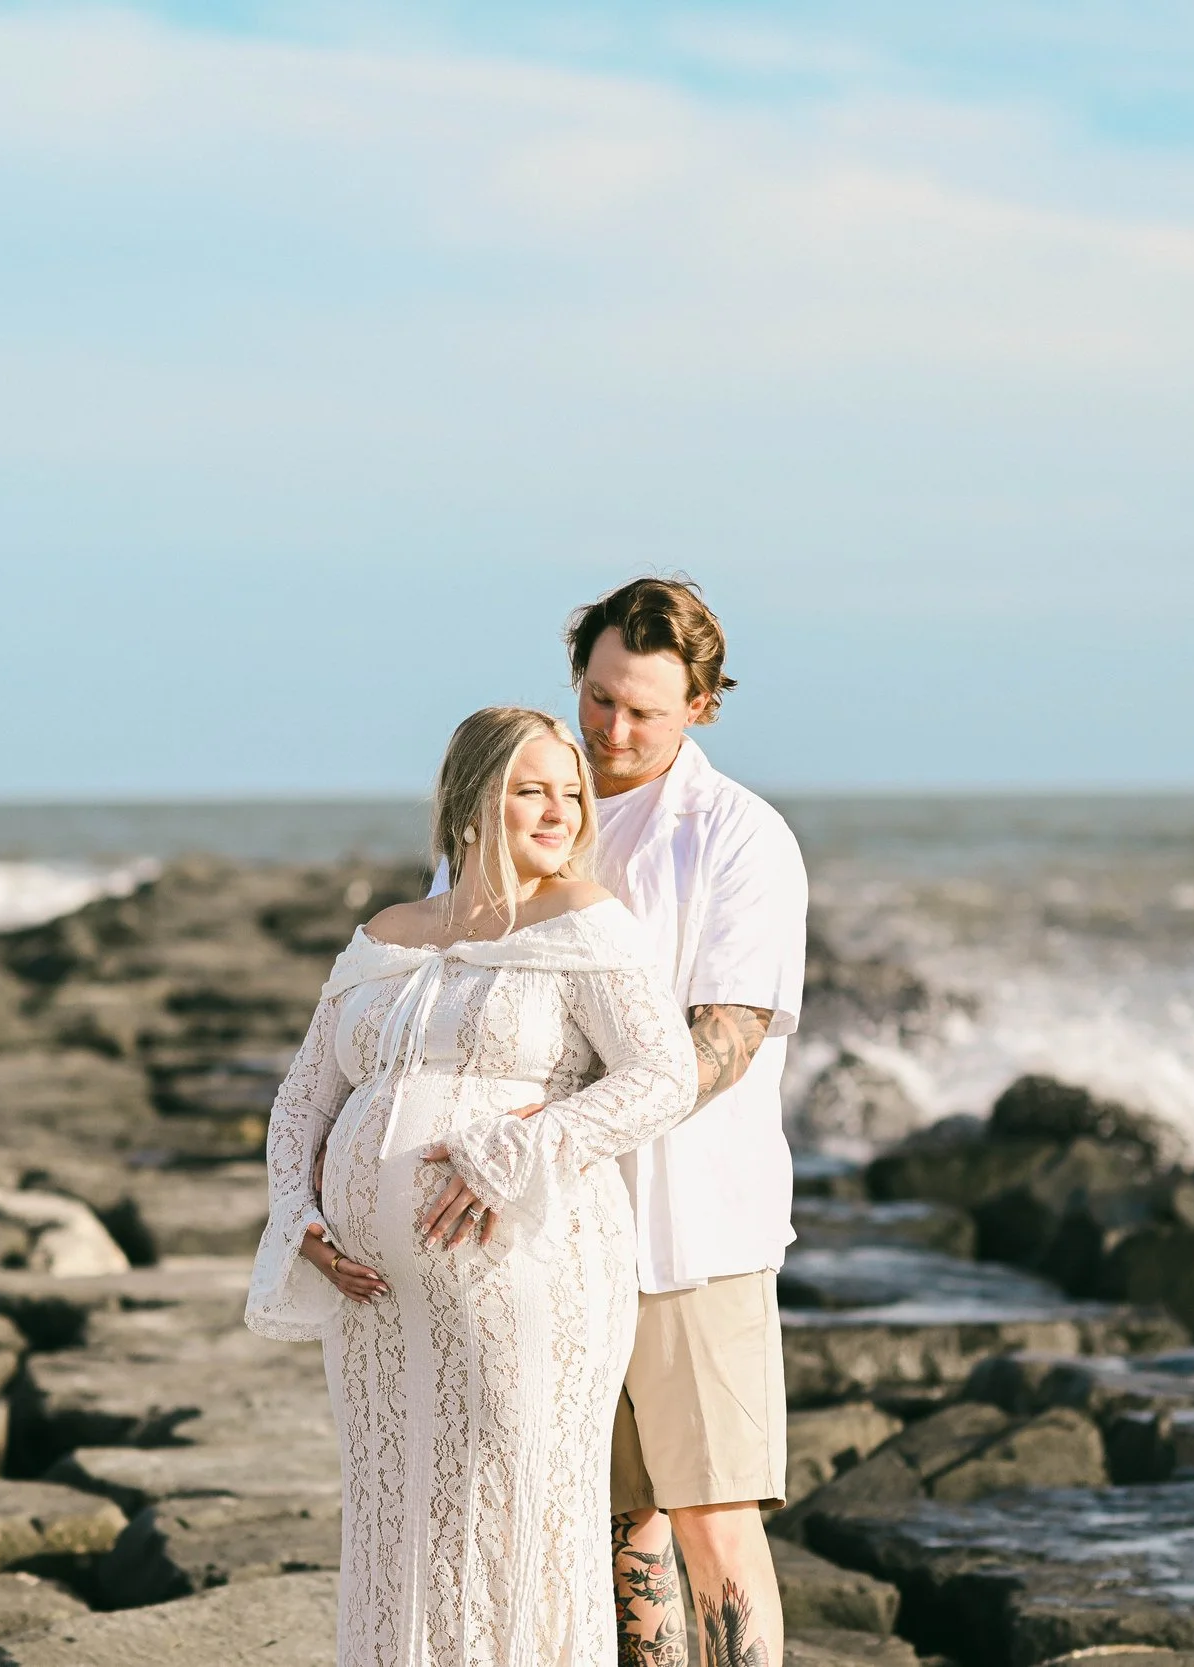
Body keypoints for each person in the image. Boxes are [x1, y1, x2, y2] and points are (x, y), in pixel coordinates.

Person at [246, 705, 697, 1667]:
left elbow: (663, 1076)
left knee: (510, 1513)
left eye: (571, 792)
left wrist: (511, 1152)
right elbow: (300, 1100)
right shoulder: (389, 935)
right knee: (391, 1516)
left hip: (524, 1277)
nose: (560, 811)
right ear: (469, 802)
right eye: (531, 790)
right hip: (373, 1302)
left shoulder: (582, 922)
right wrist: (303, 1219)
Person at [431, 579, 808, 1667]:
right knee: (609, 1527)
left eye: (644, 709)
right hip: (543, 1233)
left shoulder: (740, 837)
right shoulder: (519, 812)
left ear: (702, 704)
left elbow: (725, 1036)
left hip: (694, 1235)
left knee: (712, 1522)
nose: (612, 729)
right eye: (598, 698)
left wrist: (561, 1127)